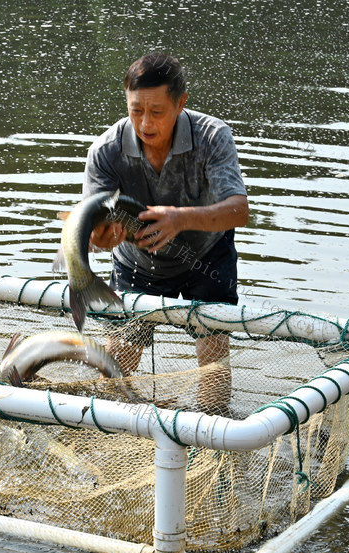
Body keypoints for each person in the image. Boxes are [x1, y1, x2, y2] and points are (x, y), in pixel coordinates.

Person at [83, 51, 249, 414]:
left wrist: (180, 218)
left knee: (213, 357)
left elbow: (239, 210)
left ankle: (210, 435)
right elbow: (93, 227)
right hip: (138, 261)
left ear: (181, 104)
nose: (145, 123)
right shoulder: (106, 151)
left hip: (205, 256)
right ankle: (108, 428)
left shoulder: (212, 136)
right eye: (136, 110)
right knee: (118, 363)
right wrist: (100, 238)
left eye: (157, 112)